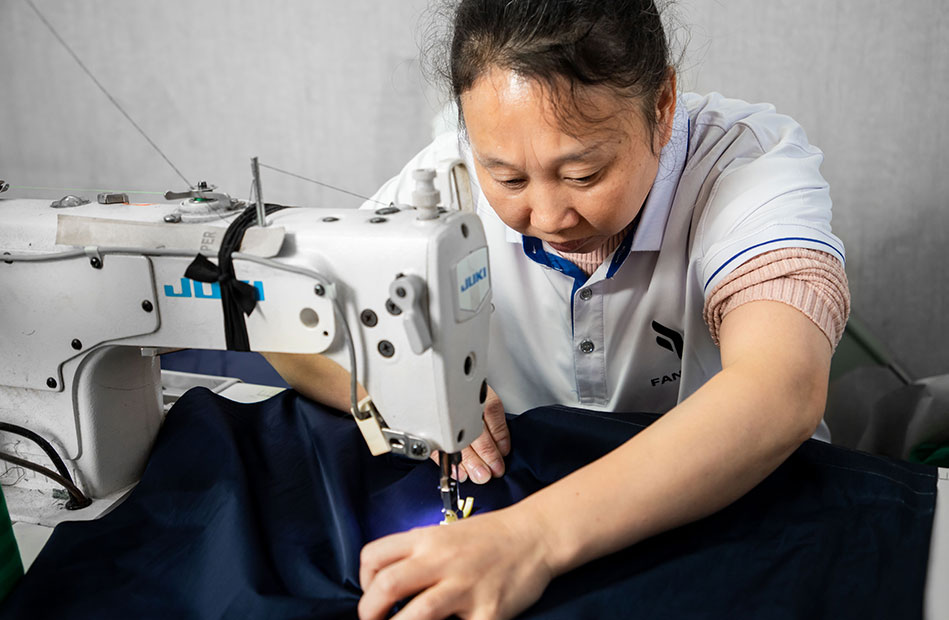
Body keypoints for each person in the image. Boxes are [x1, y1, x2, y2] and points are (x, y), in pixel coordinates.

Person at [269, 0, 850, 618]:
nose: (547, 218)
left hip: (734, 512)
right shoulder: (448, 178)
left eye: (582, 174)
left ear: (662, 105)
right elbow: (284, 324)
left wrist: (533, 539)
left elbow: (780, 390)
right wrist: (398, 390)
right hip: (527, 499)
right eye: (509, 180)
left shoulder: (745, 169)